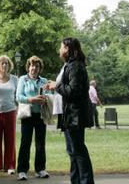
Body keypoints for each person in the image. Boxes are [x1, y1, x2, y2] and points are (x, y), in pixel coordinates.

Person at [44, 38, 94, 184]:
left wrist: (56, 86)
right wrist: (55, 86)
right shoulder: (69, 65)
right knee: (72, 152)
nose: (59, 50)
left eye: (61, 47)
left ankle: (86, 181)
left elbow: (73, 91)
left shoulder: (75, 67)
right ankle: (76, 180)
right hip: (69, 115)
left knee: (78, 152)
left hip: (75, 115)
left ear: (67, 49)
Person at [15, 56, 50, 181]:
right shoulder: (22, 80)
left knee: (40, 143)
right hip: (27, 114)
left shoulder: (44, 80)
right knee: (25, 142)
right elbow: (18, 97)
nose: (34, 68)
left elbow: (50, 95)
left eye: (36, 66)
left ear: (40, 68)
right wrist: (31, 99)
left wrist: (46, 98)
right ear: (28, 67)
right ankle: (22, 170)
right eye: (32, 65)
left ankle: (40, 169)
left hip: (40, 115)